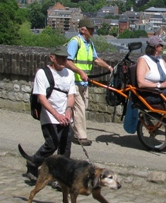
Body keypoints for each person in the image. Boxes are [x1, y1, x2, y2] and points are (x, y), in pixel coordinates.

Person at [23, 46, 77, 182]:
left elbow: (71, 95)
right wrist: (56, 115)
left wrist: (68, 110)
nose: (63, 60)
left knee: (65, 145)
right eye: (60, 58)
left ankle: (61, 177)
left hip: (64, 115)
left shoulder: (69, 74)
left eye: (65, 58)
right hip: (48, 115)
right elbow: (42, 98)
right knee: (52, 143)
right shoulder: (42, 73)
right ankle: (33, 163)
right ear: (52, 57)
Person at [66, 18, 113, 146]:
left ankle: (67, 129)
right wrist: (80, 72)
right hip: (74, 82)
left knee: (82, 107)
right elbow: (67, 61)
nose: (93, 31)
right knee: (80, 109)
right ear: (82, 29)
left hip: (83, 83)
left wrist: (109, 68)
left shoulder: (89, 43)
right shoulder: (75, 42)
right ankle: (81, 137)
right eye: (90, 29)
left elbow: (96, 59)